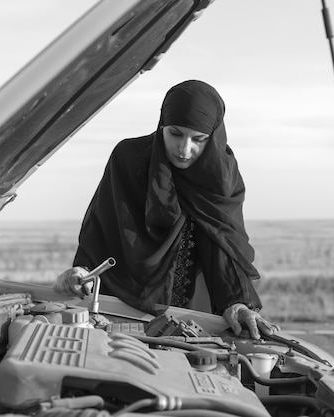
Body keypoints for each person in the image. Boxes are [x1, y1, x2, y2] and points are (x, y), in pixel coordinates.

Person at [55, 80, 278, 339]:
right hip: (119, 311)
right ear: (162, 124)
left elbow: (225, 245)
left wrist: (238, 302)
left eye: (199, 139)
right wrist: (83, 271)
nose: (185, 149)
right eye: (175, 133)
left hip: (194, 322)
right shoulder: (128, 159)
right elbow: (101, 228)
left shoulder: (221, 176)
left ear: (214, 135)